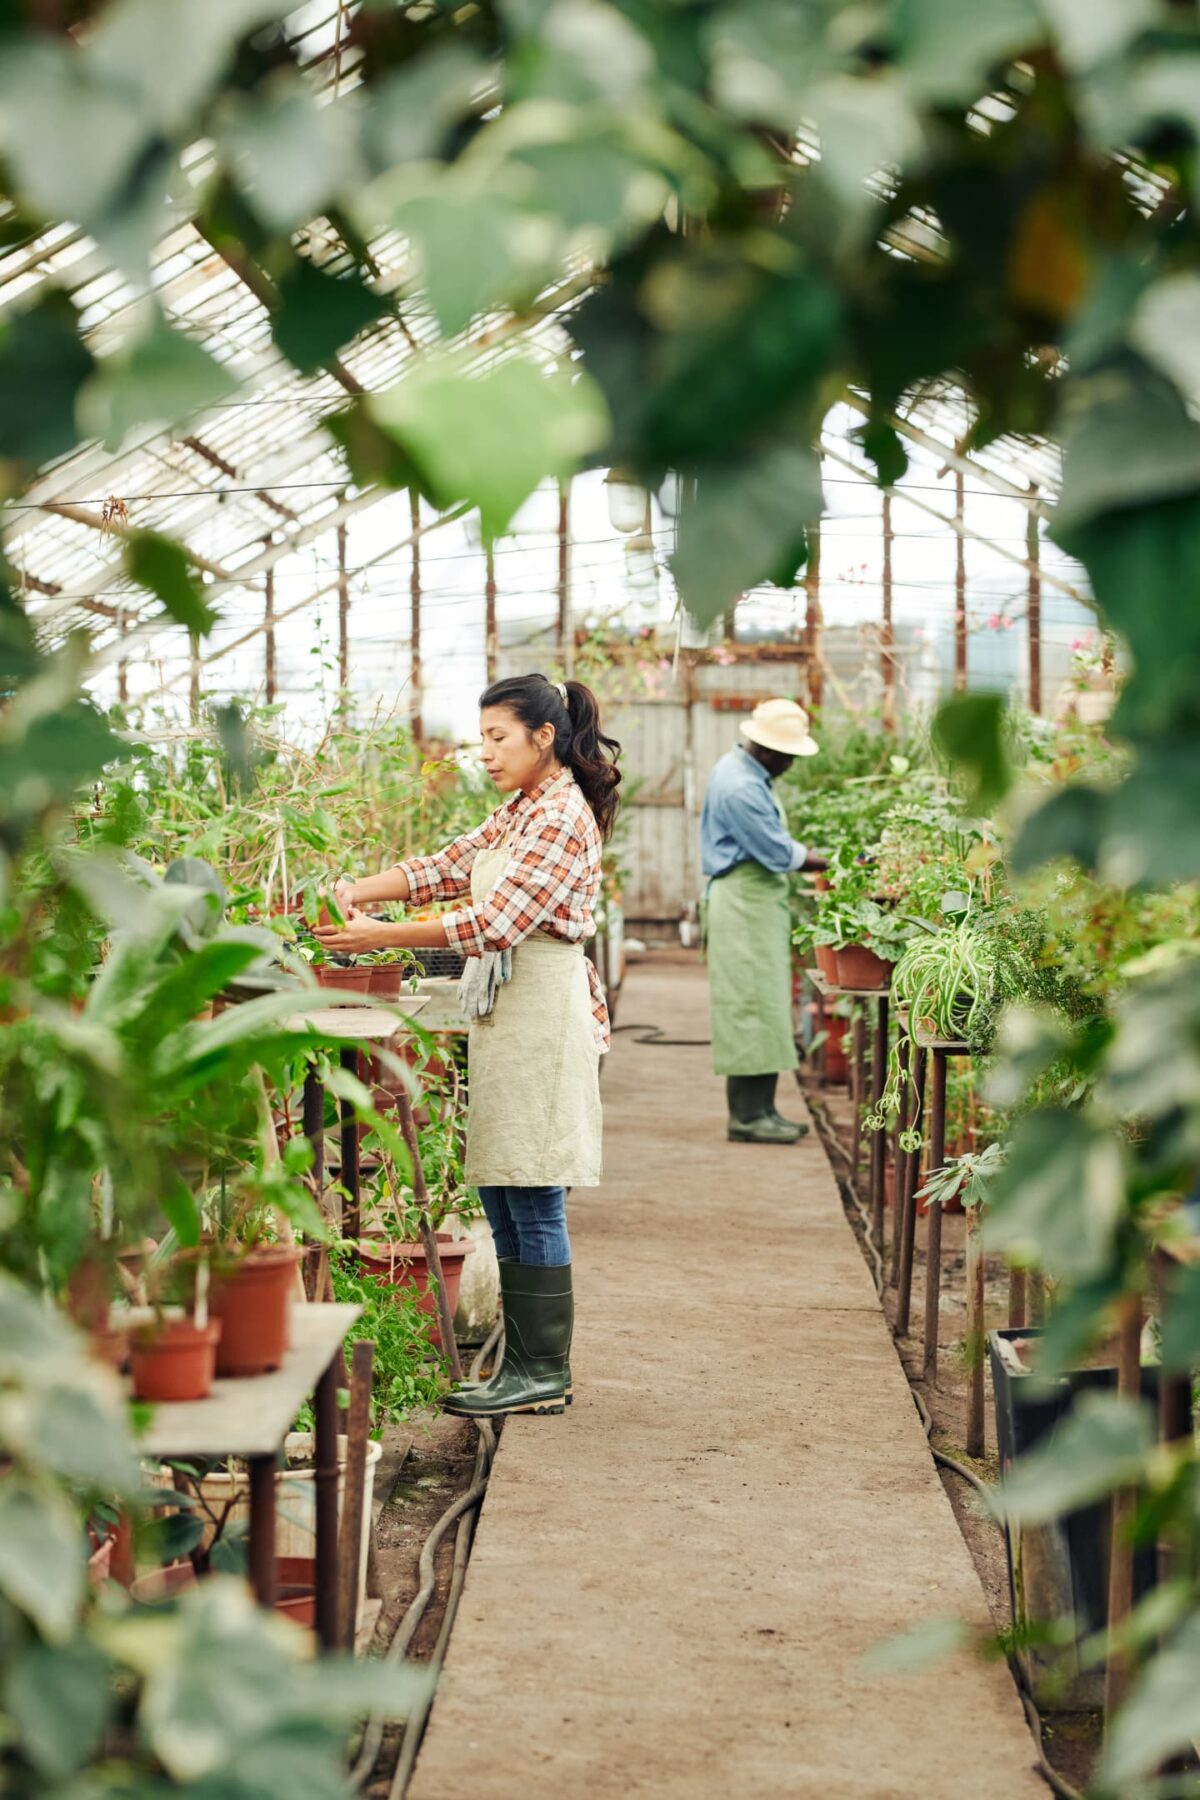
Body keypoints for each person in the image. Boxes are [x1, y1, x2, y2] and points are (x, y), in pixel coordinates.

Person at [314, 674, 621, 1419]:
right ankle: (520, 1364)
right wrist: (362, 888)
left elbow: (492, 924)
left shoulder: (561, 816)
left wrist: (377, 937)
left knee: (534, 1188)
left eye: (498, 738)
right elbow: (446, 867)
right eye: (480, 737)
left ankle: (543, 1371)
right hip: (510, 1014)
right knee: (502, 1184)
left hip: (542, 1016)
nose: (484, 753)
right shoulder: (522, 809)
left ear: (543, 738)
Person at [700, 697, 824, 1144]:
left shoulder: (746, 771)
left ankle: (763, 1109)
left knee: (765, 1003)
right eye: (789, 754)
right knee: (749, 1006)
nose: (791, 762)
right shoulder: (741, 786)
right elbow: (775, 851)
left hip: (754, 902)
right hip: (744, 902)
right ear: (768, 749)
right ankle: (748, 1117)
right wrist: (831, 861)